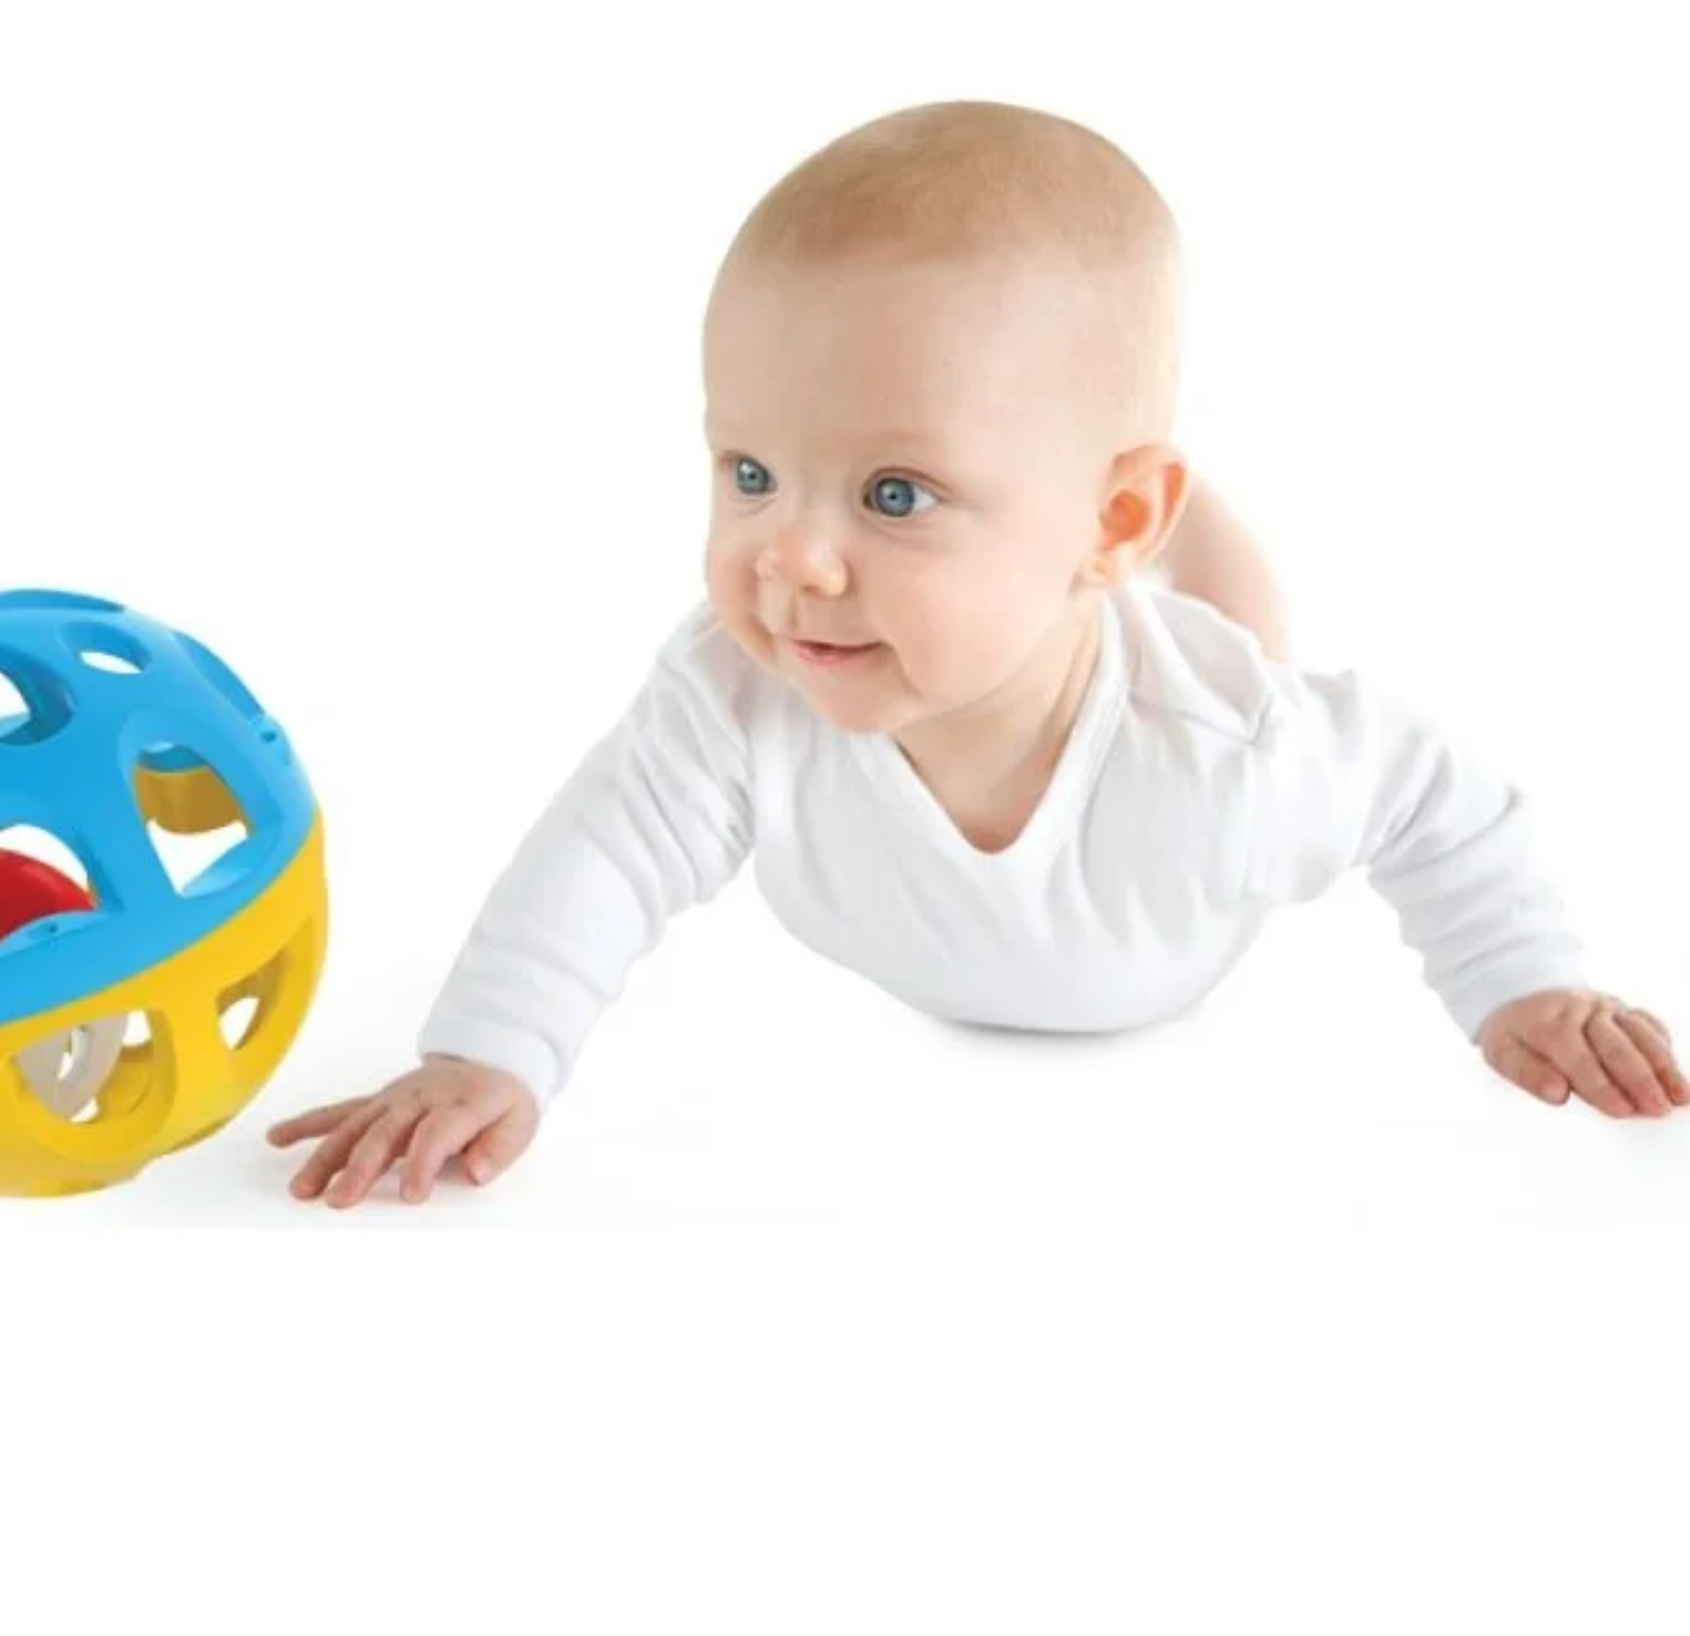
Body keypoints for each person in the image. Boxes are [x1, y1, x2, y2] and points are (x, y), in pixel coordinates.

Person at [270, 99, 1689, 1207]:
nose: (791, 558)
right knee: (1187, 626)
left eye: (894, 494)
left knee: (1234, 636)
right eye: (750, 472)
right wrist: (489, 1053)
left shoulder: (1236, 755)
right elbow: (598, 857)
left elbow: (1431, 799)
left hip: (1161, 888)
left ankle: (1185, 543)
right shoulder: (737, 691)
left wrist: (1522, 980)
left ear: (1109, 518)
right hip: (1076, 662)